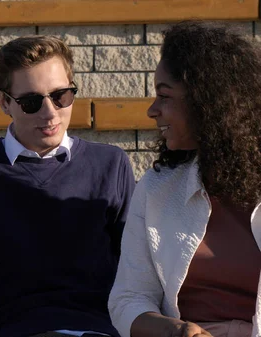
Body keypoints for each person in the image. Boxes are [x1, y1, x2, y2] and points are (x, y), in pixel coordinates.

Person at [0, 35, 136, 337]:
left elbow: (133, 275)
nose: (50, 112)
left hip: (98, 331)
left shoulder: (111, 164)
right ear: (4, 102)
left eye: (61, 96)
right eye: (31, 102)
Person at [108, 21, 261, 337]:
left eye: (164, 96)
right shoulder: (156, 188)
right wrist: (175, 330)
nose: (152, 110)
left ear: (208, 102)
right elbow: (128, 298)